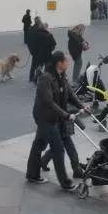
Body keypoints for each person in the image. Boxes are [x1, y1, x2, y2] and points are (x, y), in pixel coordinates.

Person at [26, 51, 86, 191]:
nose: (68, 63)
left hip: (55, 117)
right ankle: (65, 183)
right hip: (46, 118)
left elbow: (70, 93)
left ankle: (32, 174)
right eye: (66, 61)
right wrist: (66, 115)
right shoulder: (45, 79)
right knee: (58, 149)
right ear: (59, 63)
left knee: (38, 145)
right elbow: (48, 102)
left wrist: (82, 106)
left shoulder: (61, 76)